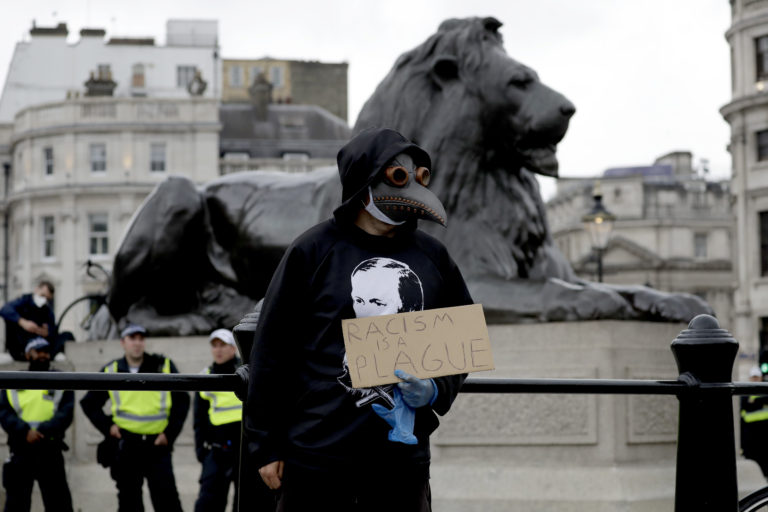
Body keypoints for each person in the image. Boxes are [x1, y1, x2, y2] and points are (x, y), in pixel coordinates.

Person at [245, 127, 473, 511]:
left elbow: (463, 342)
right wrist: (264, 444)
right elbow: (270, 350)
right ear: (363, 185)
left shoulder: (433, 257)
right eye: (397, 175)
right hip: (316, 457)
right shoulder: (312, 250)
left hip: (401, 464)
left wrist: (436, 389)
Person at [80, 324, 189, 512]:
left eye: (141, 338)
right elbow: (89, 403)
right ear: (123, 343)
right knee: (129, 503)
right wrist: (108, 427)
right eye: (132, 339)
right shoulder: (112, 369)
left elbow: (182, 401)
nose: (137, 343)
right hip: (127, 446)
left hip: (157, 446)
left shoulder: (163, 366)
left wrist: (169, 434)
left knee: (167, 502)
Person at [194, 328, 273, 511]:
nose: (218, 349)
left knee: (246, 501)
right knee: (209, 502)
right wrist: (202, 452)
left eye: (223, 345)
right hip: (217, 449)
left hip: (244, 449)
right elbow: (199, 418)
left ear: (233, 348)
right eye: (214, 345)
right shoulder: (204, 375)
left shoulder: (247, 373)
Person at [0, 337, 74, 512]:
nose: (43, 355)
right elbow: (4, 412)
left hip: (50, 448)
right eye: (38, 351)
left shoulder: (62, 379)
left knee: (59, 503)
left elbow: (66, 412)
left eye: (46, 351)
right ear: (28, 355)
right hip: (21, 449)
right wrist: (25, 431)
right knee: (16, 504)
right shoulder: (13, 380)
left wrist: (42, 431)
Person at [0, 281, 64, 361]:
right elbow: (5, 310)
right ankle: (31, 351)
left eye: (47, 299)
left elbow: (53, 331)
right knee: (11, 318)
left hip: (41, 344)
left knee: (66, 335)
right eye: (42, 295)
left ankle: (41, 354)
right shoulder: (23, 301)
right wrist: (22, 322)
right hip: (21, 345)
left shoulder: (48, 311)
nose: (44, 300)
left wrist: (47, 332)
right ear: (36, 289)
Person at [741, 365, 768, 479]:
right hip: (751, 436)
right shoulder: (745, 396)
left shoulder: (765, 393)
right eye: (753, 377)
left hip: (764, 433)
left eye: (757, 377)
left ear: (761, 378)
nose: (755, 380)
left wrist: (754, 402)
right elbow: (744, 413)